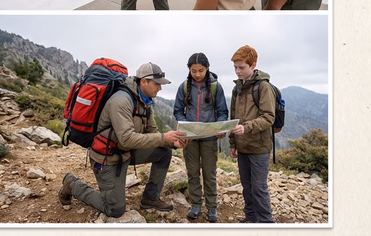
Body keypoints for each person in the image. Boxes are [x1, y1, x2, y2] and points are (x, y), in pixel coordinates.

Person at [58, 62, 188, 218]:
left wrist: (172, 143)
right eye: (157, 84)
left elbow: (153, 133)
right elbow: (127, 139)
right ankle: (72, 184)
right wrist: (163, 138)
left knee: (164, 152)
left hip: (124, 152)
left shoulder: (145, 102)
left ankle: (150, 198)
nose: (160, 88)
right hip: (108, 157)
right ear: (144, 81)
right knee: (115, 209)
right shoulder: (121, 100)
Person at [173, 53, 229, 222]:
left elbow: (223, 111)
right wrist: (186, 126)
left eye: (201, 70)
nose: (197, 74)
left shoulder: (215, 87)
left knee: (209, 174)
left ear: (207, 68)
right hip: (190, 139)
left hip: (209, 138)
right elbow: (177, 111)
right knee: (192, 173)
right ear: (189, 70)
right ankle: (195, 205)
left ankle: (212, 208)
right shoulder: (184, 87)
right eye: (194, 71)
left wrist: (219, 127)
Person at [229, 45, 276, 223]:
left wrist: (246, 127)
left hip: (259, 147)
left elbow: (268, 117)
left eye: (241, 67)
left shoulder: (263, 87)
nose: (237, 71)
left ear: (253, 65)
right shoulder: (237, 89)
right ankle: (250, 218)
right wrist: (233, 144)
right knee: (247, 187)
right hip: (242, 146)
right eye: (235, 67)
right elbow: (233, 119)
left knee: (259, 188)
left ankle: (265, 223)